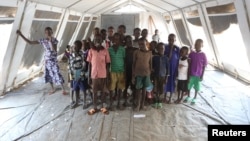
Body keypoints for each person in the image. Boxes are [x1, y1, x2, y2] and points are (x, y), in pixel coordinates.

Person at [16, 27, 67, 95]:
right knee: (48, 74)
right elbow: (30, 42)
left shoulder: (54, 40)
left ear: (52, 32)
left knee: (57, 73)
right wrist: (21, 35)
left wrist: (50, 41)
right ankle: (52, 88)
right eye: (46, 32)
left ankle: (63, 89)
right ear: (45, 33)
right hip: (47, 60)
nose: (48, 33)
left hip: (53, 60)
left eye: (49, 32)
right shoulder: (43, 40)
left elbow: (54, 50)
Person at [87, 34, 111, 115]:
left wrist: (107, 75)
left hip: (103, 74)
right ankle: (94, 107)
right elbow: (89, 64)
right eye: (96, 39)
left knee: (103, 91)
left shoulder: (105, 51)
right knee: (94, 91)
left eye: (99, 39)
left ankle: (102, 106)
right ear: (93, 41)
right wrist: (89, 76)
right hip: (94, 75)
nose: (97, 41)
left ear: (102, 41)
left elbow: (108, 64)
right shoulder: (91, 51)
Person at [184, 39, 207, 104]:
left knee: (197, 86)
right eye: (196, 44)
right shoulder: (191, 53)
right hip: (191, 73)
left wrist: (202, 75)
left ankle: (195, 97)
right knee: (189, 85)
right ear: (194, 45)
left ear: (202, 45)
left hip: (198, 74)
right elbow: (188, 62)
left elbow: (204, 66)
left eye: (199, 45)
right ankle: (188, 96)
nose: (197, 46)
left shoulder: (203, 55)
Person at [132, 38, 152, 112]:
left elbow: (150, 64)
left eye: (142, 44)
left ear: (146, 43)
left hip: (146, 74)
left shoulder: (149, 53)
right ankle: (138, 105)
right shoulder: (136, 52)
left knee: (144, 90)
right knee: (138, 90)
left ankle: (142, 104)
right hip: (138, 74)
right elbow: (133, 64)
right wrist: (133, 75)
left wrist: (150, 73)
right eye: (139, 44)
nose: (141, 46)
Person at [108, 33, 126, 110]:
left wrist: (124, 71)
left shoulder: (122, 49)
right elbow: (108, 62)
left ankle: (119, 103)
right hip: (112, 71)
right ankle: (111, 104)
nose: (116, 40)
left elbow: (124, 60)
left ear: (120, 40)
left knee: (120, 88)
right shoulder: (109, 49)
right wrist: (108, 72)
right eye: (115, 39)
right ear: (112, 40)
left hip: (121, 71)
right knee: (111, 88)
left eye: (118, 39)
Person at [68, 40, 88, 109]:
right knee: (76, 89)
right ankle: (76, 102)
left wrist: (81, 75)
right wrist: (70, 75)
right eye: (74, 46)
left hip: (80, 74)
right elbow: (70, 65)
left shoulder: (82, 54)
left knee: (83, 89)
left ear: (79, 47)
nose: (74, 47)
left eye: (76, 46)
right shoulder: (71, 55)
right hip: (74, 74)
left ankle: (85, 102)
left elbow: (84, 65)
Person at [152, 42, 169, 108]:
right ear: (157, 49)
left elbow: (168, 69)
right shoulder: (155, 58)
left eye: (162, 48)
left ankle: (160, 102)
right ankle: (156, 101)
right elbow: (152, 67)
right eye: (159, 48)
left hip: (163, 76)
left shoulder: (166, 58)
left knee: (161, 90)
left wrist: (166, 77)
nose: (161, 50)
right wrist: (152, 76)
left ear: (164, 49)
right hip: (156, 76)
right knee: (155, 89)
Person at [164, 33, 180, 103]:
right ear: (168, 39)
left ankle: (170, 98)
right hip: (167, 69)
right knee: (166, 82)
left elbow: (179, 59)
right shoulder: (166, 47)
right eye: (170, 39)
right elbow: (169, 58)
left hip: (174, 69)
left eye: (173, 40)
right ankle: (164, 97)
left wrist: (177, 70)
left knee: (172, 83)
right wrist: (171, 48)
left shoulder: (177, 49)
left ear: (175, 40)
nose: (171, 41)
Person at [124, 35, 138, 107]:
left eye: (131, 41)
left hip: (134, 71)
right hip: (126, 71)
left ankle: (134, 101)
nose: (130, 42)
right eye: (128, 41)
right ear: (125, 42)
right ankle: (125, 101)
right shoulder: (124, 50)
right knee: (125, 86)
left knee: (134, 87)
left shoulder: (136, 50)